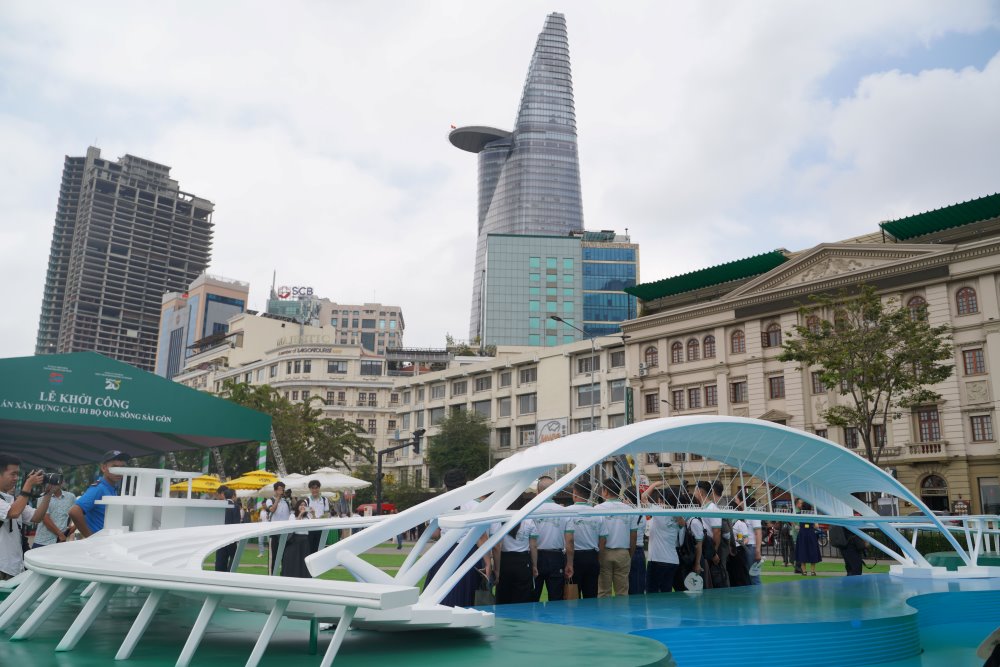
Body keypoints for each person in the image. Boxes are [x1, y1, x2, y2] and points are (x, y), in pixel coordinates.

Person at [423, 469, 490, 607]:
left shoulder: (438, 504)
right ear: (465, 483)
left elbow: (435, 534)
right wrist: (488, 563)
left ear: (445, 484)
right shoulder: (475, 505)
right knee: (466, 595)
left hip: (444, 552)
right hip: (468, 553)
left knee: (439, 594)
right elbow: (481, 537)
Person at [0, 453, 53, 579]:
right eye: (13, 474)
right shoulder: (13, 503)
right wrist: (28, 485)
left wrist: (48, 493)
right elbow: (13, 513)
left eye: (17, 474)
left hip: (14, 566)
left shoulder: (12, 499)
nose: (16, 478)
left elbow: (37, 517)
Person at [68, 450, 128, 538]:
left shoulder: (112, 488)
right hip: (99, 543)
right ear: (103, 468)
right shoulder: (99, 489)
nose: (119, 471)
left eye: (122, 467)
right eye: (114, 466)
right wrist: (90, 537)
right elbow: (74, 512)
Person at [531, 476, 571, 602]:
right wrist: (569, 563)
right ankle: (556, 621)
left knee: (533, 596)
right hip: (555, 557)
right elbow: (570, 540)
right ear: (555, 491)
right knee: (556, 598)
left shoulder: (531, 510)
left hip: (536, 556)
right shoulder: (563, 511)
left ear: (538, 491)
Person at [493, 493, 538, 604]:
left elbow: (497, 547)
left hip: (505, 561)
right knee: (522, 599)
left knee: (503, 599)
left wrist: (497, 570)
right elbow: (533, 546)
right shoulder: (528, 520)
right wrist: (535, 565)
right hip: (523, 562)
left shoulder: (499, 520)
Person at [641, 480, 685, 594]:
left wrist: (655, 484)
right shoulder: (680, 514)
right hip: (672, 560)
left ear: (662, 500)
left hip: (657, 560)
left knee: (652, 594)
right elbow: (682, 524)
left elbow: (643, 497)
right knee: (666, 593)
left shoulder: (658, 510)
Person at [597, 478, 636, 597]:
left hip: (604, 552)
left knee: (603, 591)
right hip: (623, 552)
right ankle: (622, 615)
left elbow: (597, 534)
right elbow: (633, 535)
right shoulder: (629, 510)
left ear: (605, 491)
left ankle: (605, 615)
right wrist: (630, 554)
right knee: (622, 592)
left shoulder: (597, 509)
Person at [564, 479, 601, 598]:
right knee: (591, 596)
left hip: (574, 557)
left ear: (574, 493)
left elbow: (569, 540)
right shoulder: (597, 513)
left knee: (573, 596)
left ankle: (575, 617)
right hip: (592, 557)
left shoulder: (566, 512)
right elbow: (603, 538)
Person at [31, 474, 75, 549]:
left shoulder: (70, 497)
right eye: (51, 483)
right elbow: (45, 518)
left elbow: (76, 514)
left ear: (61, 483)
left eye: (55, 483)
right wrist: (60, 534)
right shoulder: (43, 497)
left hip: (60, 541)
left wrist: (68, 532)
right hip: (43, 541)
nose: (52, 486)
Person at [734, 493, 763, 585]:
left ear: (742, 501)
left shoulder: (752, 513)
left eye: (736, 499)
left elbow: (758, 533)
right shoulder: (742, 514)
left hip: (751, 547)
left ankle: (757, 596)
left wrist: (758, 550)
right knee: (747, 574)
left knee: (753, 575)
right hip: (745, 546)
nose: (735, 502)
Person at [281, 499, 313, 578]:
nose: (303, 507)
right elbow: (293, 526)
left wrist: (313, 513)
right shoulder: (292, 516)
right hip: (295, 539)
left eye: (304, 505)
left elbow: (313, 525)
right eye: (301, 505)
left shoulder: (308, 517)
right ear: (297, 506)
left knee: (303, 561)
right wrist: (300, 514)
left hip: (305, 540)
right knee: (294, 559)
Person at [265, 482, 292, 574]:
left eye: (283, 489)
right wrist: (278, 498)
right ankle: (271, 575)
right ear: (275, 490)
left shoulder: (286, 501)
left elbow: (294, 509)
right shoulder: (270, 500)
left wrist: (290, 497)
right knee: (274, 556)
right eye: (280, 489)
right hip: (274, 532)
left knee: (285, 556)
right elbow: (272, 509)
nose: (281, 491)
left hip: (285, 532)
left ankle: (284, 575)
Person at [214, 486, 241, 572]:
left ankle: (219, 572)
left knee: (221, 557)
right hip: (231, 536)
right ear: (233, 495)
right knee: (233, 556)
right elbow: (237, 523)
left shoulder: (220, 506)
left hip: (221, 535)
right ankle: (230, 572)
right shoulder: (235, 506)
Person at [795, 501, 822, 576]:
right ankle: (813, 571)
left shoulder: (799, 514)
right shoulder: (812, 514)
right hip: (811, 534)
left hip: (802, 534)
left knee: (802, 551)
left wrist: (797, 527)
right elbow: (817, 526)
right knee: (812, 551)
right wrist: (812, 526)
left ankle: (804, 571)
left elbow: (792, 521)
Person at [305, 480, 331, 554]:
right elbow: (306, 515)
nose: (314, 490)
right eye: (312, 488)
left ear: (319, 488)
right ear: (310, 489)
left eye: (316, 488)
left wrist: (323, 518)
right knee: (310, 550)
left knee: (320, 550)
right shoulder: (307, 500)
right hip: (310, 528)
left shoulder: (324, 499)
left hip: (321, 528)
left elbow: (327, 513)